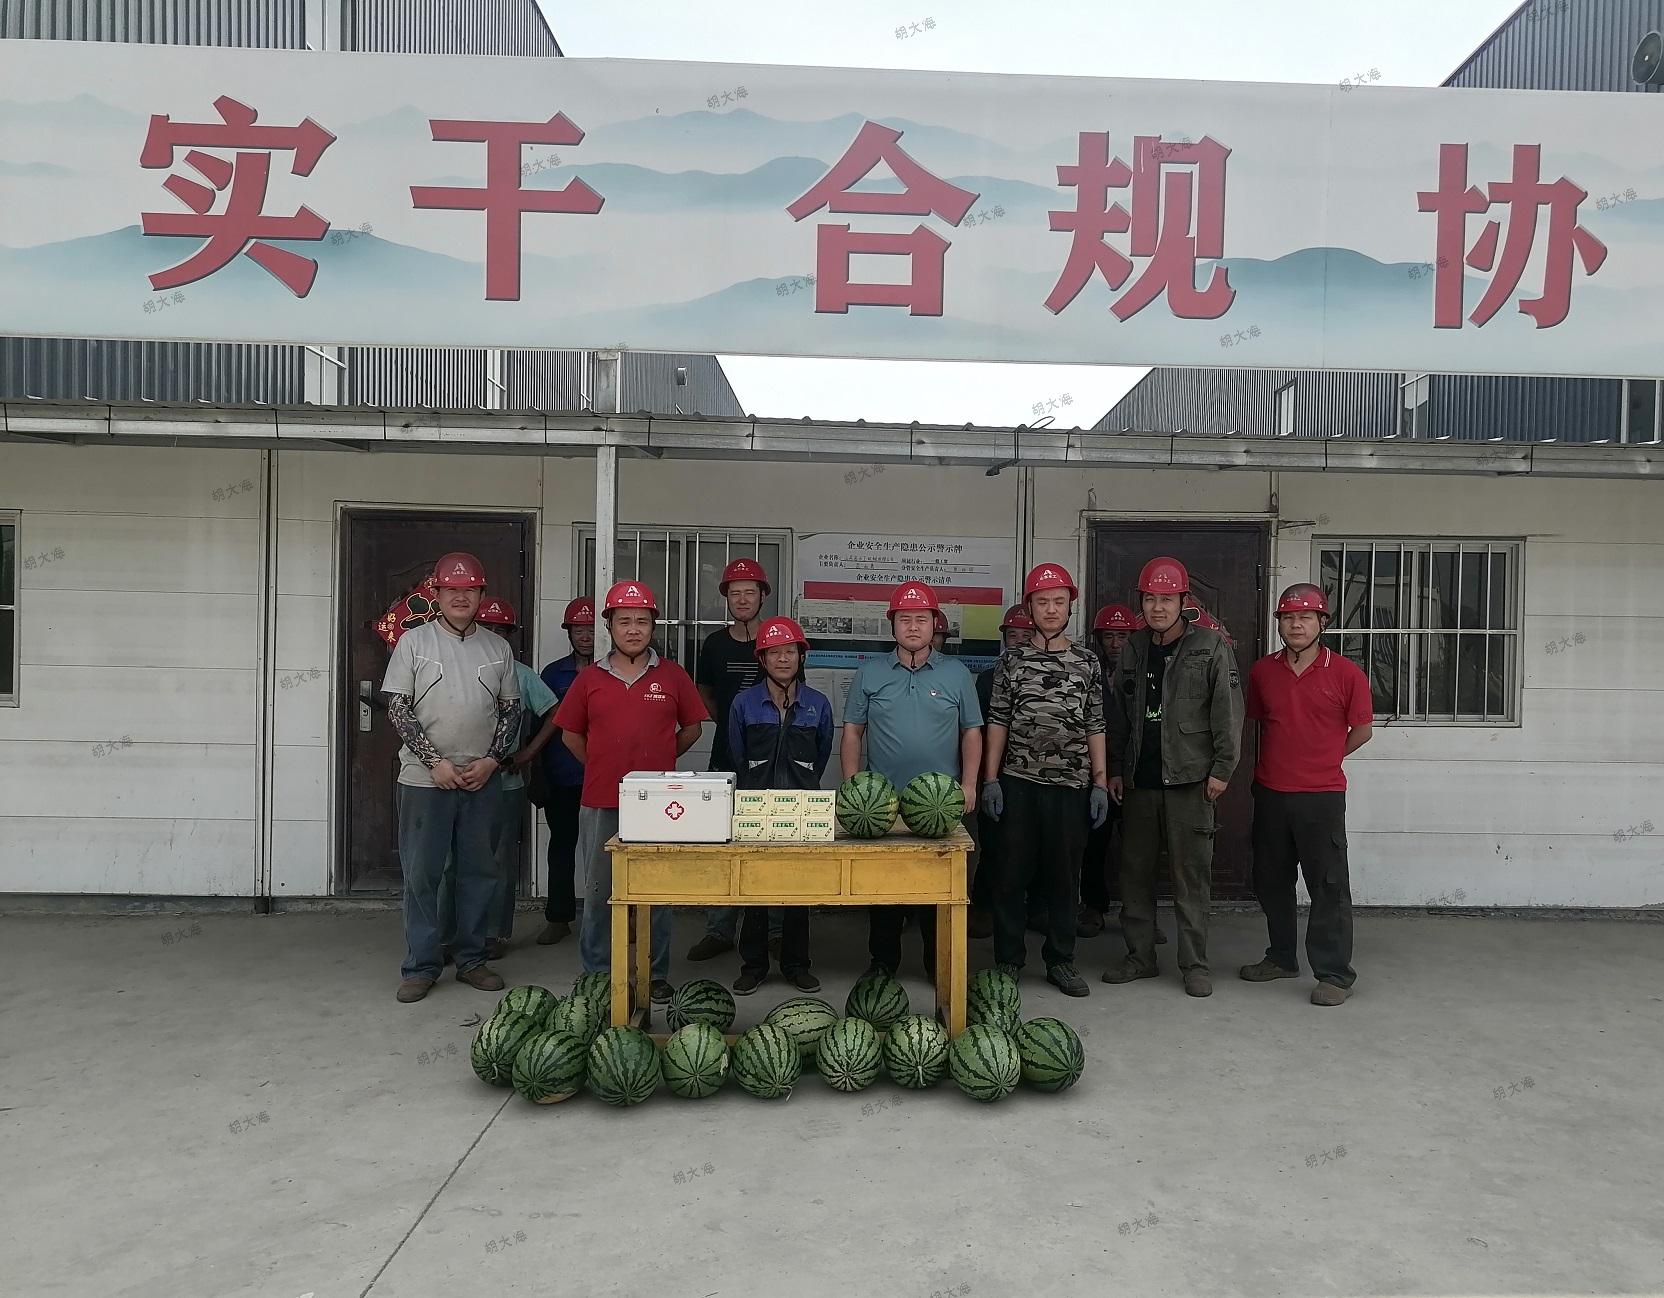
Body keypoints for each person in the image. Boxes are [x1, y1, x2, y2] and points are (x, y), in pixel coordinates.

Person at [554, 580, 707, 1004]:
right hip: (601, 800)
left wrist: (657, 765)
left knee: (656, 892)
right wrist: (602, 765)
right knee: (600, 891)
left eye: (642, 621)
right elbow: (570, 735)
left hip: (660, 804)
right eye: (624, 621)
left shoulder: (673, 675)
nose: (633, 629)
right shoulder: (590, 679)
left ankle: (654, 973)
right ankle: (598, 974)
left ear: (653, 626)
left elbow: (692, 729)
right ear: (609, 626)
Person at [381, 551, 521, 1004]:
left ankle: (472, 959)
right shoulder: (414, 643)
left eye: (470, 590)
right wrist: (434, 763)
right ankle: (421, 966)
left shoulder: (498, 648)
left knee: (479, 872)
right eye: (452, 589)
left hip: (482, 780)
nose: (461, 597)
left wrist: (493, 760)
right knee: (423, 874)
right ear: (436, 593)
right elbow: (398, 709)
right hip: (425, 781)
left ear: (481, 594)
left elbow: (511, 710)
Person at [1103, 556, 1243, 998]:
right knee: (1134, 876)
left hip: (1191, 781)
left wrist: (1222, 769)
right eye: (1150, 599)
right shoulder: (1134, 647)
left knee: (1191, 879)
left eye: (1166, 599)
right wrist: (1117, 768)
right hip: (1140, 783)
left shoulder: (1210, 646)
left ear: (1184, 601)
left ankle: (1195, 964)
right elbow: (1120, 713)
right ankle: (1140, 957)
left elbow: (1228, 713)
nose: (1158, 607)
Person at [841, 580, 982, 979]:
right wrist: (853, 790)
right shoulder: (869, 673)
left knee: (938, 890)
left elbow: (972, 731)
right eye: (905, 619)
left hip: (943, 804)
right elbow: (852, 731)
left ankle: (938, 964)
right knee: (885, 890)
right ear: (893, 625)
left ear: (935, 623)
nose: (914, 626)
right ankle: (883, 963)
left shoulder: (957, 674)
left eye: (922, 618)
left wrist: (969, 785)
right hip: (883, 805)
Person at [1239, 584, 1372, 1006]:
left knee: (1328, 885)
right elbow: (1258, 724)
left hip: (1321, 796)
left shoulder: (1347, 673)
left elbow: (1363, 730)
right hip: (1271, 793)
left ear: (1322, 623)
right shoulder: (1262, 672)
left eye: (1305, 617)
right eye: (1288, 618)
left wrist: (1327, 756)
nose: (1296, 625)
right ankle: (1280, 957)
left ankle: (1334, 974)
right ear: (1279, 623)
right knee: (1271, 880)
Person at [980, 564, 1108, 997]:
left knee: (1063, 879)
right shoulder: (1011, 660)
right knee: (1010, 876)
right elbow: (998, 720)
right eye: (1042, 602)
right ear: (1030, 607)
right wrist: (990, 779)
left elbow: (1095, 723)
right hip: (1018, 783)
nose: (1051, 609)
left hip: (1071, 787)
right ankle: (1008, 959)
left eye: (1058, 601)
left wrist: (1100, 783)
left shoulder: (1087, 661)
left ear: (1070, 606)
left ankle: (1061, 960)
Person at [728, 616, 834, 995]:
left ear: (801, 656)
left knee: (798, 890)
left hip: (803, 811)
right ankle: (753, 966)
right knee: (754, 889)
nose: (784, 659)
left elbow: (822, 754)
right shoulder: (744, 704)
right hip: (755, 809)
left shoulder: (818, 704)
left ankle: (796, 965)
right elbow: (737, 755)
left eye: (790, 651)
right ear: (762, 659)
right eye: (775, 652)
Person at [467, 596, 560, 953]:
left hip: (504, 782)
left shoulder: (521, 674)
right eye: (486, 627)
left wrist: (527, 753)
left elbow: (555, 712)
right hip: (454, 779)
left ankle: (493, 934)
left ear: (510, 636)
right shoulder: (455, 667)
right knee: (450, 862)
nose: (493, 634)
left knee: (497, 861)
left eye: (501, 630)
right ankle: (451, 935)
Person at [688, 557, 769, 962]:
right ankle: (719, 929)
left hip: (771, 761)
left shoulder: (777, 638)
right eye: (735, 593)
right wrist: (728, 722)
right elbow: (704, 690)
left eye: (749, 592)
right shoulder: (715, 644)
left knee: (771, 844)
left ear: (762, 596)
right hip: (725, 758)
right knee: (722, 843)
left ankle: (773, 931)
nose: (742, 600)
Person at [969, 604, 1034, 939]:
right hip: (995, 775)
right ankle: (983, 907)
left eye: (1026, 635)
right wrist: (983, 779)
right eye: (1013, 635)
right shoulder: (987, 679)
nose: (1019, 642)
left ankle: (1034, 910)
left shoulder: (1052, 673)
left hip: (1036, 776)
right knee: (994, 846)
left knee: (1035, 847)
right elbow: (975, 731)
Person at [535, 597, 594, 945]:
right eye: (578, 630)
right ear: (569, 633)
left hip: (603, 777)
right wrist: (538, 769)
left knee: (607, 852)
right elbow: (540, 723)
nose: (585, 637)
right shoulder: (552, 674)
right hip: (563, 775)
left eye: (591, 630)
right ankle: (558, 918)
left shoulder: (612, 670)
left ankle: (614, 919)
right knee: (561, 847)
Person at [1078, 604, 1138, 938]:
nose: (1115, 644)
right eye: (1109, 636)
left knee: (1140, 851)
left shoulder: (1145, 669)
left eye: (1123, 636)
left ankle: (1139, 916)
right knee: (1094, 845)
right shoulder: (1087, 669)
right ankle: (1093, 907)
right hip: (1095, 774)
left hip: (1135, 774)